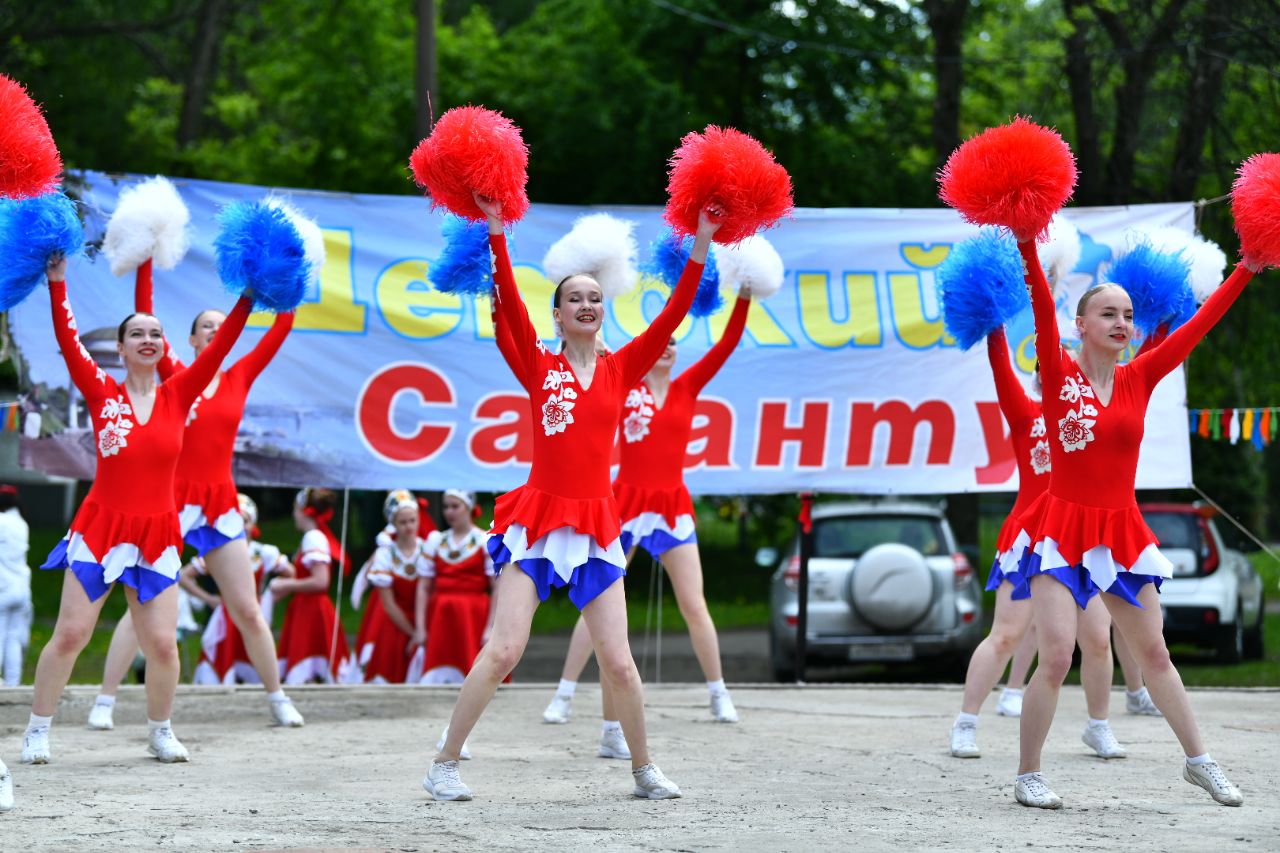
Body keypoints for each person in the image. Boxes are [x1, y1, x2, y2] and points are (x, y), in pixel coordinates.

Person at [423, 193, 720, 802]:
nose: (585, 304)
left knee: (620, 662)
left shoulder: (622, 368)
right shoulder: (536, 364)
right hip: (536, 521)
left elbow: (674, 315)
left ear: (602, 311)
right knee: (504, 648)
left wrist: (703, 240)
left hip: (595, 528)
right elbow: (505, 303)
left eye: (594, 298)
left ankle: (643, 770)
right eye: (572, 299)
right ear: (556, 315)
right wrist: (498, 232)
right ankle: (444, 763)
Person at [1011, 239, 1249, 808]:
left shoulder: (1140, 377)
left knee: (1156, 654)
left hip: (1120, 533)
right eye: (1108, 314)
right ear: (1081, 323)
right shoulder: (1058, 369)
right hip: (1061, 530)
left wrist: (1248, 268)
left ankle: (1200, 762)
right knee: (1057, 656)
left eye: (1128, 315)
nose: (1122, 323)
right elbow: (1041, 307)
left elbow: (1200, 324)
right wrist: (1026, 239)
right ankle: (1027, 774)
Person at [23, 256, 251, 765]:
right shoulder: (102, 393)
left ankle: (160, 730)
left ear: (162, 346)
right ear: (122, 348)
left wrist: (249, 297)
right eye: (137, 333)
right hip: (101, 528)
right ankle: (38, 728)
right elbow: (67, 340)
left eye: (155, 333)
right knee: (71, 635)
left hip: (158, 534)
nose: (148, 339)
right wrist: (58, 282)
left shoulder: (180, 392)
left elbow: (225, 345)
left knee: (163, 645)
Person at [543, 287, 751, 745]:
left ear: (677, 354)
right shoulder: (624, 380)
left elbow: (728, 343)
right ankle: (564, 692)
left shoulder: (688, 386)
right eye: (663, 341)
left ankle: (718, 692)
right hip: (626, 503)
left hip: (672, 506)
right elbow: (591, 351)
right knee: (595, 599)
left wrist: (746, 294)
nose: (667, 347)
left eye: (675, 343)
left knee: (694, 605)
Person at [951, 330, 1127, 761]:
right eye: (1049, 368)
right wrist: (993, 323)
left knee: (1098, 640)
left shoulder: (1095, 415)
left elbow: (1147, 368)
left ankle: (1098, 726)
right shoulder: (1026, 413)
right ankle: (966, 723)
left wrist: (1161, 325)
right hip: (1031, 538)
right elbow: (998, 366)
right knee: (1007, 634)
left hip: (1083, 540)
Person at [272, 488, 349, 684]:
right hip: (307, 608)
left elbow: (321, 581)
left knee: (308, 669)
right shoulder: (315, 536)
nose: (293, 515)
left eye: (295, 510)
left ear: (302, 511)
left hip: (312, 610)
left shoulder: (313, 538)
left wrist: (286, 584)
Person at [417, 489, 495, 685]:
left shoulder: (484, 540)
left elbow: (497, 588)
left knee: (473, 664)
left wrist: (491, 626)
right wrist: (420, 627)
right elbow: (424, 586)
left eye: (455, 506)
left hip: (473, 614)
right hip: (441, 614)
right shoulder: (436, 541)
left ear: (468, 508)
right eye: (445, 507)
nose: (449, 512)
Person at [353, 492, 429, 683]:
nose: (409, 526)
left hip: (424, 620)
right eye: (402, 522)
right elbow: (388, 604)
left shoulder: (428, 549)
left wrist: (421, 630)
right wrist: (413, 633)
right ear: (393, 523)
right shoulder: (385, 555)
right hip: (395, 624)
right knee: (390, 672)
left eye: (412, 520)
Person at [0, 485, 31, 687]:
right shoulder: (21, 524)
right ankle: (13, 683)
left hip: (3, 588)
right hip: (21, 588)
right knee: (13, 638)